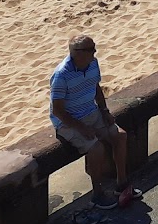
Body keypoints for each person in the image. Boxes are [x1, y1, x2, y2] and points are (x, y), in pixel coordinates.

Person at [49, 35, 141, 210]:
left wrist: (104, 111)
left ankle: (121, 183)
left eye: (94, 48)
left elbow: (96, 87)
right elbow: (57, 111)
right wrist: (81, 127)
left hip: (92, 113)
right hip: (68, 123)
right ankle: (97, 194)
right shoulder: (61, 75)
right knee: (96, 148)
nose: (95, 52)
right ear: (77, 53)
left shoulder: (93, 64)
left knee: (120, 136)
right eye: (91, 49)